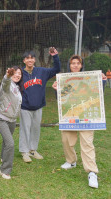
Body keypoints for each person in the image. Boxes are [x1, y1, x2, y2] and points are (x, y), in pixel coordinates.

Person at [52, 54, 102, 189]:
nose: (75, 65)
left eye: (77, 63)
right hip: (71, 115)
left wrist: (101, 80)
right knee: (66, 140)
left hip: (86, 116)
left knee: (87, 143)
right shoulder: (67, 80)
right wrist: (57, 90)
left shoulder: (89, 78)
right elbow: (63, 99)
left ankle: (92, 172)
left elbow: (96, 93)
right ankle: (71, 161)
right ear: (70, 65)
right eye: (72, 63)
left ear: (81, 65)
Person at [19, 48, 60, 163]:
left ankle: (32, 150)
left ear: (34, 59)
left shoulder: (42, 72)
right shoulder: (20, 73)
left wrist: (55, 56)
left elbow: (57, 69)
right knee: (25, 129)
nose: (30, 60)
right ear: (24, 61)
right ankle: (24, 152)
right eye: (27, 58)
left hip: (38, 106)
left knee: (36, 129)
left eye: (32, 58)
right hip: (25, 107)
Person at [0, 66, 23, 180]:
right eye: (15, 73)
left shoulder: (17, 87)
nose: (17, 75)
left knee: (7, 142)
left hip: (12, 120)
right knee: (10, 144)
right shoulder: (6, 85)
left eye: (19, 74)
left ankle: (4, 157)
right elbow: (5, 82)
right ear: (11, 74)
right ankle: (4, 170)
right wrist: (7, 76)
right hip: (2, 118)